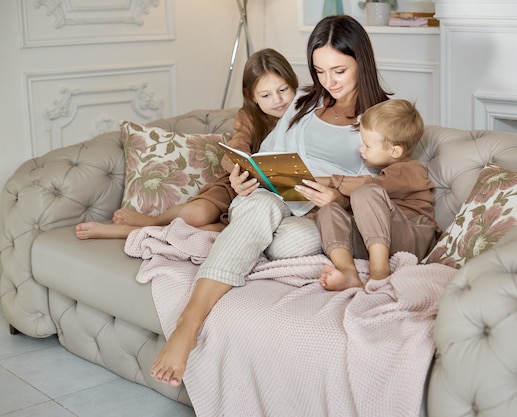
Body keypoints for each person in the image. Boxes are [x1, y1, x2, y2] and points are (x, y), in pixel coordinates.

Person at [150, 14, 391, 387]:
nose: (329, 82)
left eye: (339, 71)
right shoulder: (303, 104)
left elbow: (388, 187)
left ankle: (237, 237)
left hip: (318, 215)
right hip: (274, 195)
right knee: (260, 206)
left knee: (289, 242)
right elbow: (267, 155)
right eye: (320, 71)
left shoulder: (383, 117)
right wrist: (245, 177)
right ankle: (188, 323)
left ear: (362, 61)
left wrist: (338, 197)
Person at [75, 48, 298, 239]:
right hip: (237, 185)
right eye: (266, 95)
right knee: (197, 214)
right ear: (253, 98)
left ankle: (133, 232)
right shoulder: (249, 116)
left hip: (272, 195)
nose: (277, 100)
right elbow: (236, 148)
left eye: (282, 90)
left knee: (211, 231)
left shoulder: (306, 114)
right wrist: (238, 172)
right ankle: (153, 221)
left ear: (293, 84)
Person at [315, 99, 440, 291]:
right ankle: (347, 271)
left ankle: (379, 270)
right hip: (382, 238)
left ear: (395, 151)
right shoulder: (382, 177)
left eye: (367, 145)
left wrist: (325, 180)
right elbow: (366, 209)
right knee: (329, 210)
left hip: (413, 236)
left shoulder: (411, 170)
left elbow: (365, 187)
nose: (360, 149)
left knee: (365, 192)